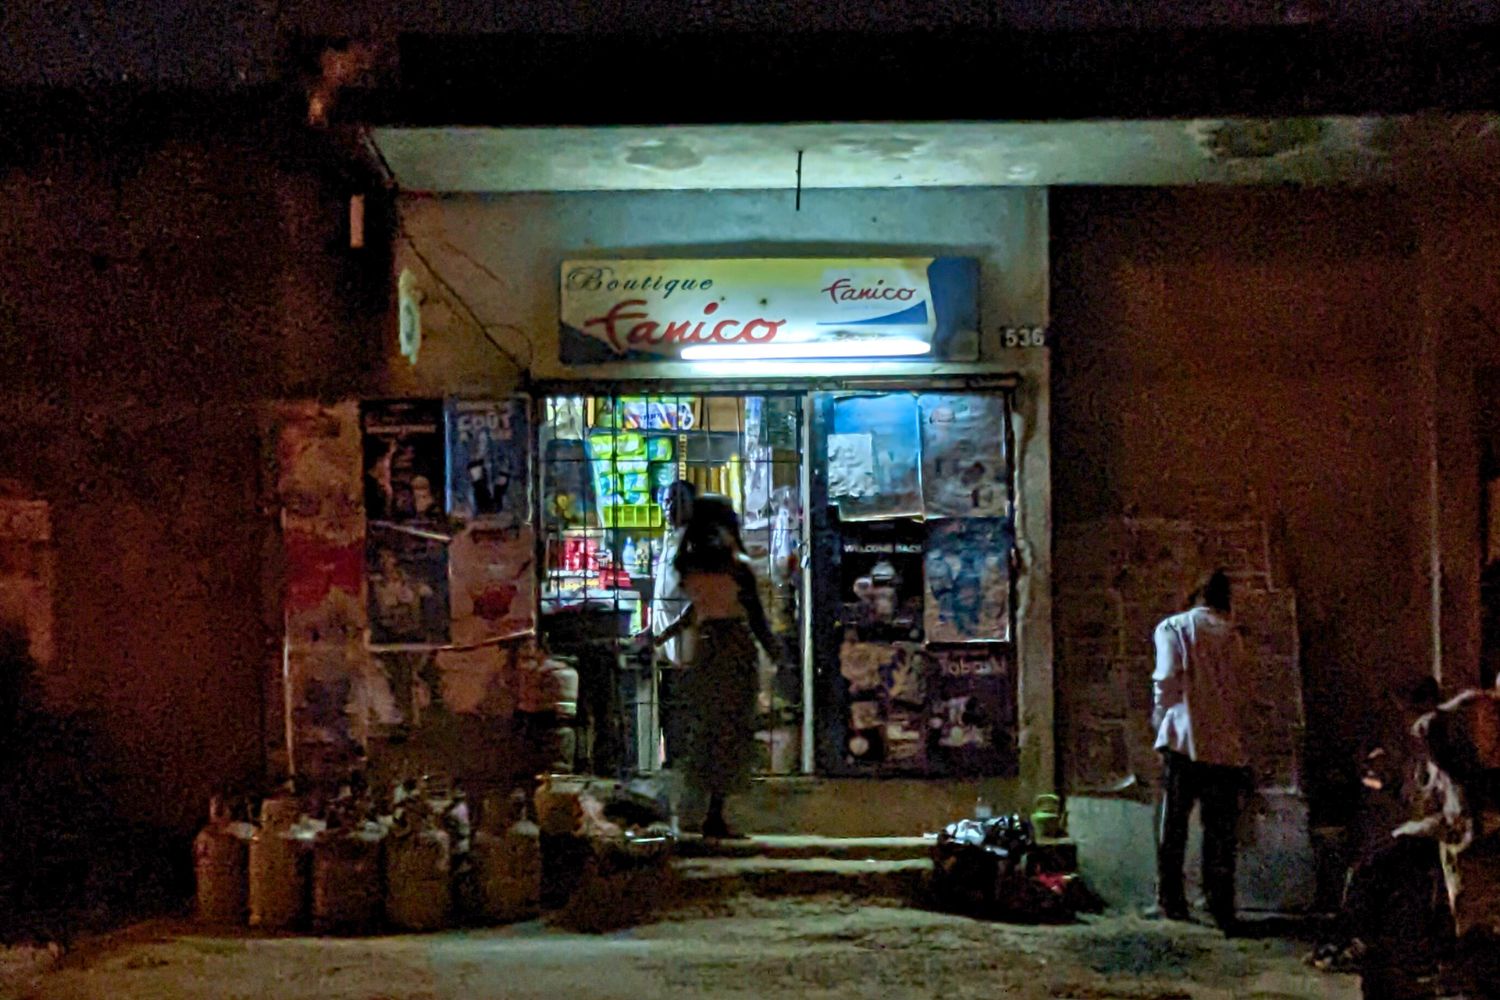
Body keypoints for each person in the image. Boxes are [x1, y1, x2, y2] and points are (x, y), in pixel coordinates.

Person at [650, 494, 779, 839]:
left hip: (702, 649)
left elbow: (692, 613)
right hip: (734, 650)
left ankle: (696, 811)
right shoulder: (737, 565)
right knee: (731, 730)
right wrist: (780, 657)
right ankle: (715, 814)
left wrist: (660, 637)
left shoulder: (688, 564)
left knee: (704, 731)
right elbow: (756, 619)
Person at [1150, 569, 1253, 932]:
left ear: (1194, 594)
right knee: (1220, 832)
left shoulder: (1173, 628)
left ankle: (1172, 900)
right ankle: (1220, 905)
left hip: (1183, 740)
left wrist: (1159, 720)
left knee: (1174, 825)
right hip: (1226, 745)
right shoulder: (1234, 636)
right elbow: (1242, 689)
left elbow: (1165, 679)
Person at [645, 480, 696, 766]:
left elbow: (697, 603)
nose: (669, 507)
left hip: (686, 645)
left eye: (676, 500)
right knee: (669, 708)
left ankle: (685, 766)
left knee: (685, 710)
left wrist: (666, 632)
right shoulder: (670, 540)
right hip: (667, 648)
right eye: (665, 501)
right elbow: (663, 593)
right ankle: (674, 762)